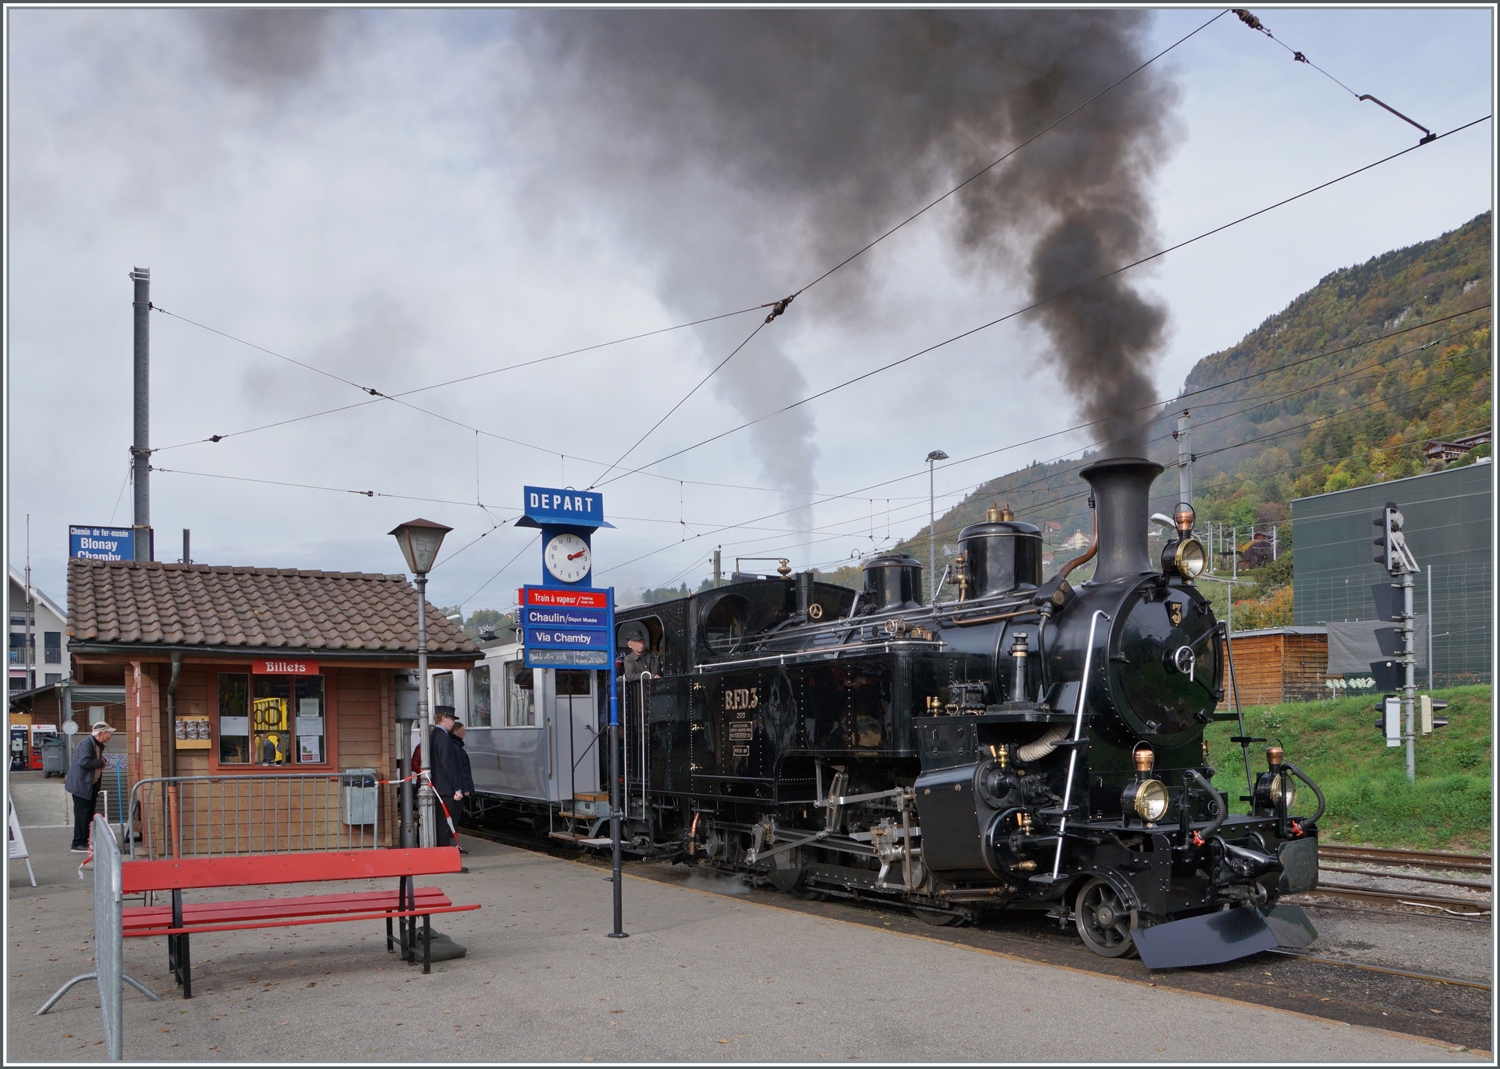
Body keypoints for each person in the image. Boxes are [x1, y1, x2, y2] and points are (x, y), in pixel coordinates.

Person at [65, 722, 113, 852]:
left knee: (87, 813)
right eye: (108, 732)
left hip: (88, 784)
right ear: (101, 733)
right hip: (82, 785)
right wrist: (101, 762)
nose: (110, 735)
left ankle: (85, 840)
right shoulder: (87, 743)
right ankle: (78, 842)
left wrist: (101, 761)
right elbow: (84, 762)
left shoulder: (96, 744)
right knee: (82, 814)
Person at [426, 707, 464, 849]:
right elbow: (448, 764)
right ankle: (444, 851)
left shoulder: (434, 735)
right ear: (444, 718)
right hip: (445, 787)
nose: (453, 723)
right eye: (452, 719)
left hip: (439, 785)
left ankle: (443, 849)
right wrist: (457, 788)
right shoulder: (443, 738)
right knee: (445, 822)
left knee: (441, 821)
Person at [450, 720, 476, 856]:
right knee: (454, 817)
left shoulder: (455, 746)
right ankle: (454, 847)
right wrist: (465, 788)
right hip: (458, 789)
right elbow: (461, 770)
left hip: (457, 788)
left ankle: (454, 845)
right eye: (462, 730)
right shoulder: (456, 747)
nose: (464, 732)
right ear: (455, 731)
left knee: (454, 818)